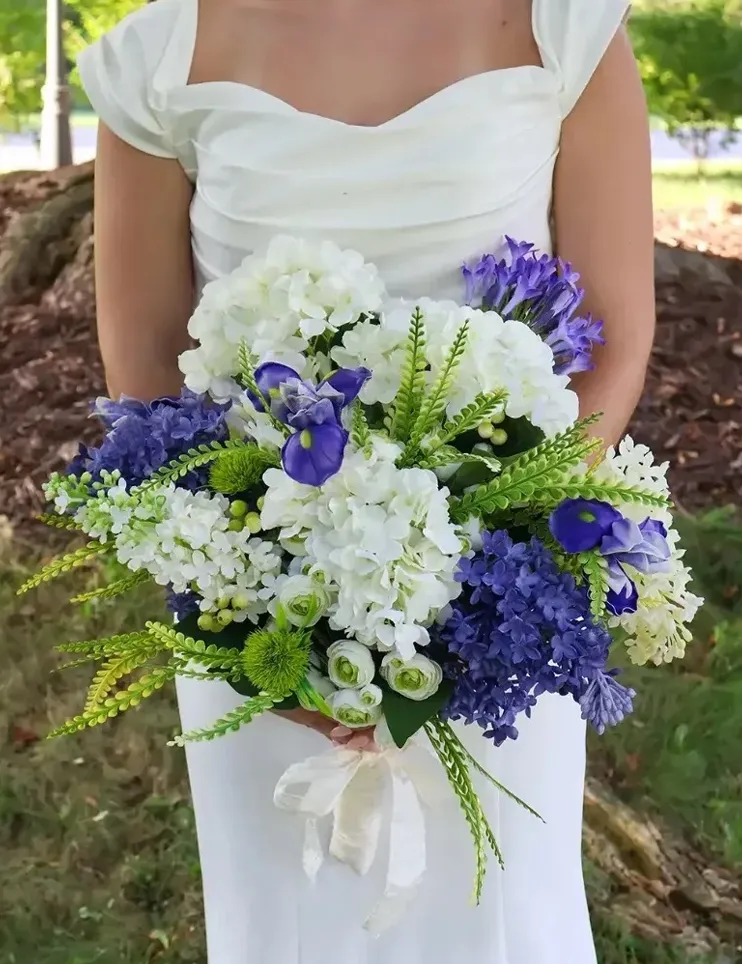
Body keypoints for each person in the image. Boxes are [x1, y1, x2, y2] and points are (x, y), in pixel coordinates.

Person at [77, 0, 654, 960]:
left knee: (502, 913)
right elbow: (143, 377)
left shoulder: (563, 25)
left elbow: (614, 341)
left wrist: (478, 579)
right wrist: (272, 622)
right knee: (290, 919)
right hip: (259, 608)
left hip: (502, 606)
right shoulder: (157, 57)